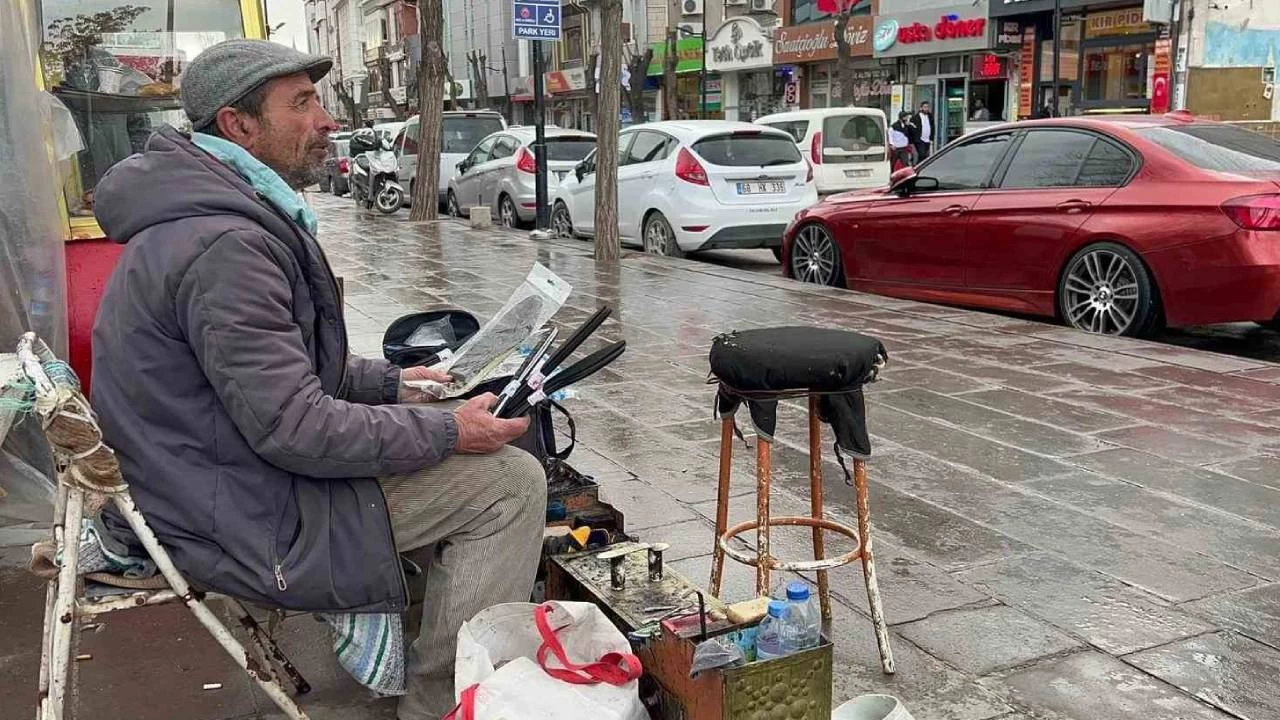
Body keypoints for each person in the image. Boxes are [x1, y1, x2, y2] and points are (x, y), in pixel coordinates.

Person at [89, 39, 545, 719]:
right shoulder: (227, 246)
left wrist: (397, 385)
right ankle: (437, 703)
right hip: (236, 512)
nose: (326, 119)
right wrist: (450, 428)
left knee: (457, 456)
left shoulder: (216, 216)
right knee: (509, 484)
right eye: (301, 103)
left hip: (210, 479)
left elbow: (284, 370)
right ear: (238, 126)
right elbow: (295, 427)